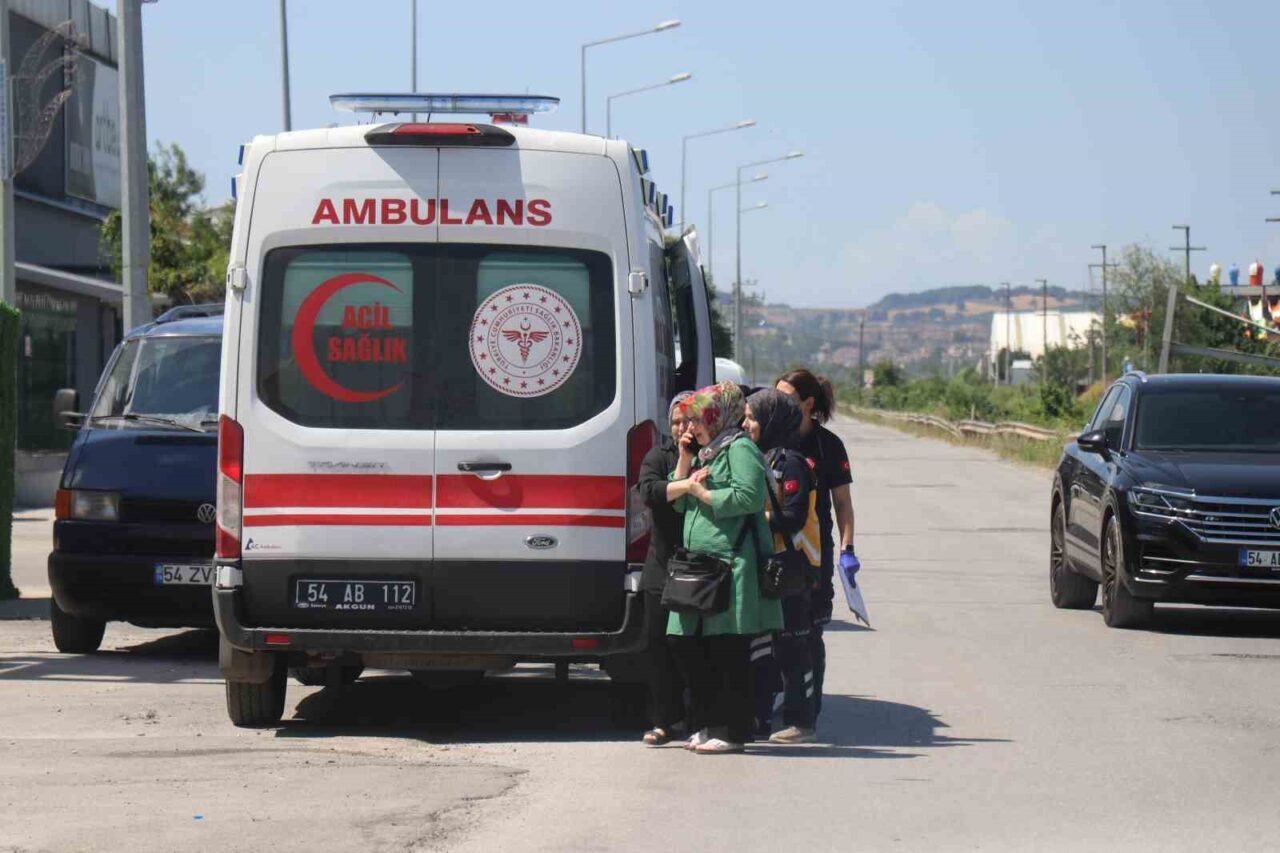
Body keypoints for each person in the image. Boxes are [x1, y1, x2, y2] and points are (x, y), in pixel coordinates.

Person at [666, 380, 783, 754]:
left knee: (727, 651)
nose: (691, 427)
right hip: (699, 568)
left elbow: (748, 497)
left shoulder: (740, 448)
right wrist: (685, 463)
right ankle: (706, 722)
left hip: (731, 566)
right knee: (690, 645)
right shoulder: (706, 453)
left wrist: (703, 492)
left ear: (719, 417)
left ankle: (731, 730)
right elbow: (676, 502)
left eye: (698, 419)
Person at [775, 369, 856, 726]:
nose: (779, 404)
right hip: (776, 546)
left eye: (786, 398)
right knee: (778, 630)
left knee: (810, 631)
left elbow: (842, 504)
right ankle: (780, 700)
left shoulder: (828, 446)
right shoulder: (773, 437)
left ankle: (808, 710)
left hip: (814, 550)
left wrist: (847, 550)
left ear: (808, 403)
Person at [742, 389, 821, 744]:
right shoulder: (762, 457)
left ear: (771, 420)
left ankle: (801, 722)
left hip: (792, 567)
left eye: (752, 418)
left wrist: (751, 515)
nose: (746, 424)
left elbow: (793, 516)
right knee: (764, 647)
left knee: (793, 648)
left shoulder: (791, 463)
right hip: (768, 565)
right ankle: (759, 719)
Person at [635, 392, 693, 746]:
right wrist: (685, 479)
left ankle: (697, 718)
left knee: (690, 648)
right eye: (675, 421)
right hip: (661, 565)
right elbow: (651, 493)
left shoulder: (712, 455)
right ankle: (663, 721)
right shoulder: (657, 456)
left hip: (699, 569)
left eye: (688, 420)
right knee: (656, 646)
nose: (682, 427)